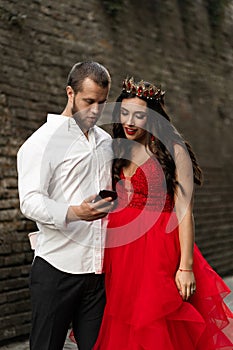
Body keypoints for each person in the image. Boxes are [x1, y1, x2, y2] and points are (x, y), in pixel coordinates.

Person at [92, 77, 233, 349]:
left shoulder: (173, 151)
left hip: (158, 249)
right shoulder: (118, 149)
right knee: (125, 320)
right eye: (124, 113)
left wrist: (186, 266)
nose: (130, 122)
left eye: (139, 115)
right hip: (120, 252)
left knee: (156, 319)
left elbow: (184, 211)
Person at [17, 61, 115, 350]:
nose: (96, 110)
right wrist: (75, 213)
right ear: (70, 93)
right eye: (88, 101)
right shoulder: (40, 143)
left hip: (98, 273)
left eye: (102, 102)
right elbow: (30, 201)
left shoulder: (106, 142)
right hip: (56, 268)